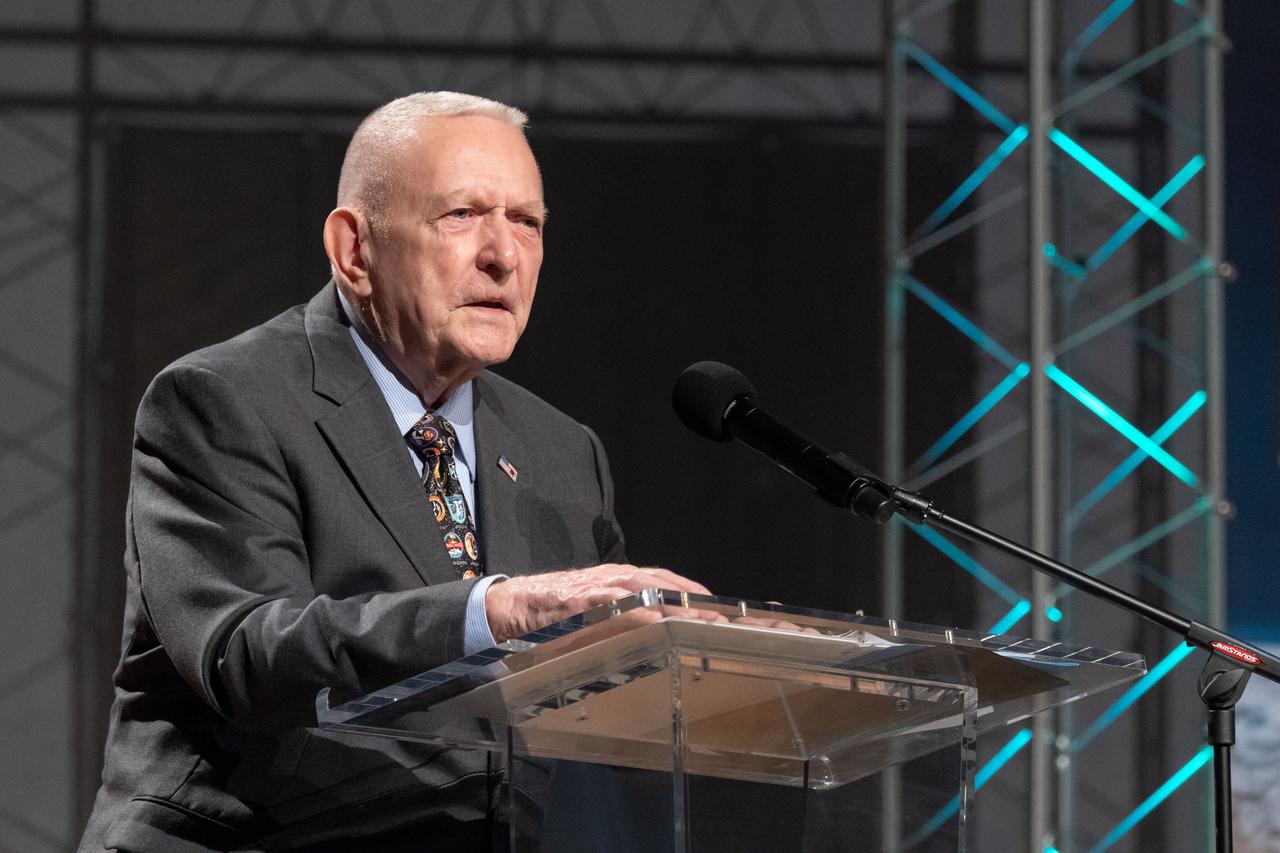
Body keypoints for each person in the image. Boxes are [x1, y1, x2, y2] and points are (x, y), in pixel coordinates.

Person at [78, 91, 713, 852]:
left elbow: (601, 713)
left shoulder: (561, 450)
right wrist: (495, 611)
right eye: (462, 215)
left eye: (527, 222)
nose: (503, 254)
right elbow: (247, 652)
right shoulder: (222, 401)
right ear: (354, 250)